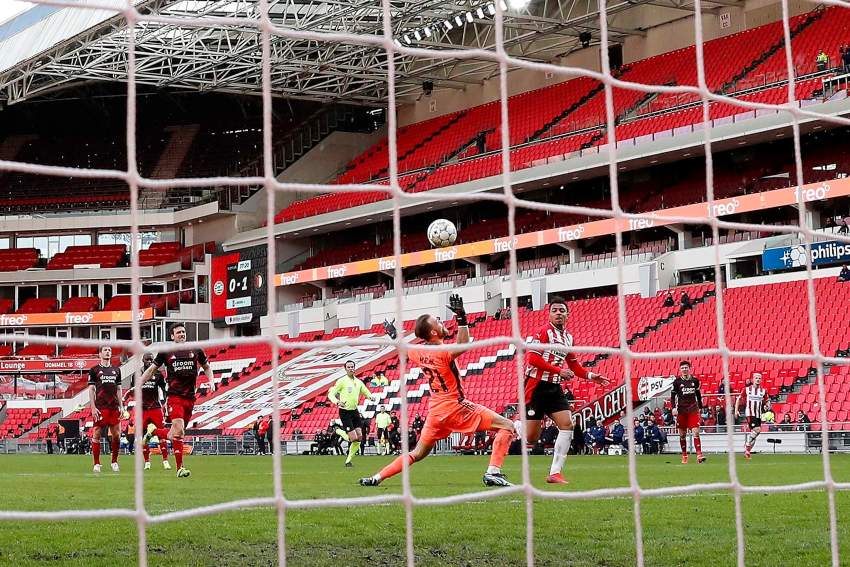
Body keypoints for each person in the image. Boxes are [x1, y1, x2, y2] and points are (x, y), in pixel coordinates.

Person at [360, 294, 515, 488]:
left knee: (417, 453)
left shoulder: (418, 352)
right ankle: (493, 472)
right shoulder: (441, 352)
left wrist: (393, 333)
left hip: (435, 412)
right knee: (507, 425)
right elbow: (464, 344)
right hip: (455, 406)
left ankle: (377, 477)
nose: (441, 322)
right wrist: (461, 317)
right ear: (433, 333)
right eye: (438, 321)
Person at [521, 296, 609, 484]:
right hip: (535, 385)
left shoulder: (568, 338)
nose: (558, 313)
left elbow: (575, 366)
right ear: (550, 314)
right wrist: (559, 370)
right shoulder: (543, 332)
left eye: (562, 310)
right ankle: (512, 426)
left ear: (567, 315)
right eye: (555, 310)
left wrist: (593, 377)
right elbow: (533, 360)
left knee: (568, 424)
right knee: (531, 437)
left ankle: (555, 472)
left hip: (554, 388)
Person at [140, 322, 215, 478]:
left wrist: (211, 381)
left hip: (190, 398)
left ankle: (153, 431)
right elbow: (152, 369)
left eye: (183, 331)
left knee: (175, 434)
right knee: (179, 429)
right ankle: (180, 468)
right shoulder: (166, 352)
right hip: (174, 396)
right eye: (178, 332)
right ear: (172, 336)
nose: (182, 334)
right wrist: (140, 381)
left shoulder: (196, 350)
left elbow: (207, 367)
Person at [126, 352, 172, 470]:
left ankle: (165, 461)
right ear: (143, 360)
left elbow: (164, 389)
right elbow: (133, 390)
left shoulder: (158, 374)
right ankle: (147, 461)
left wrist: (166, 402)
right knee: (142, 436)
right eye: (147, 359)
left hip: (155, 408)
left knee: (162, 434)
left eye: (152, 359)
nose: (150, 361)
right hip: (142, 409)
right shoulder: (136, 375)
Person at [328, 360, 378, 467]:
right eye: (349, 367)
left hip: (355, 411)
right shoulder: (342, 381)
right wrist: (337, 402)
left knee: (359, 437)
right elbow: (331, 394)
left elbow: (365, 391)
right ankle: (338, 431)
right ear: (345, 369)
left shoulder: (358, 382)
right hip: (345, 412)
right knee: (353, 438)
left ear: (354, 368)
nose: (351, 368)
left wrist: (370, 397)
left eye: (352, 367)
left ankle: (348, 461)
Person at [88, 345, 124, 473]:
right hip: (101, 407)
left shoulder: (117, 370)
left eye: (109, 350)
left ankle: (114, 462)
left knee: (116, 435)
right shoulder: (94, 370)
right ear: (100, 353)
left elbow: (119, 389)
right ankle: (97, 463)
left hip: (114, 407)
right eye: (105, 350)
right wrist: (92, 407)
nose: (108, 352)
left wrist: (122, 406)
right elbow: (91, 389)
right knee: (97, 433)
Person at [670, 360, 705, 464]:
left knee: (696, 432)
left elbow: (698, 394)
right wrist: (673, 408)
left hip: (693, 409)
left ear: (689, 368)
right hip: (681, 410)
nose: (684, 369)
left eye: (686, 368)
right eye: (682, 368)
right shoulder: (677, 382)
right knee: (682, 435)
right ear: (680, 370)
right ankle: (684, 455)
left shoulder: (695, 380)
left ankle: (699, 455)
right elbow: (673, 396)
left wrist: (700, 406)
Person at [736, 372, 769, 460]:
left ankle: (747, 452)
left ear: (761, 380)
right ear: (753, 379)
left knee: (756, 433)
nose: (758, 379)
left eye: (759, 378)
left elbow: (767, 401)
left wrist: (767, 406)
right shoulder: (746, 389)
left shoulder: (763, 391)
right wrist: (736, 411)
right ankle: (747, 445)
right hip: (750, 413)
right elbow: (738, 399)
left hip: (758, 414)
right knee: (757, 430)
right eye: (756, 378)